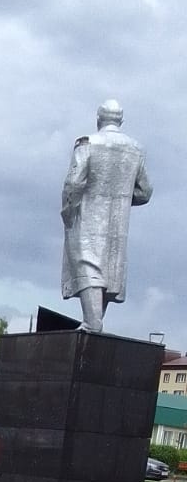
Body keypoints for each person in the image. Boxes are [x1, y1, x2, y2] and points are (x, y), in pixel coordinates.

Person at [61, 99, 152, 332]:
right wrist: (120, 198)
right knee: (109, 272)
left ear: (99, 118)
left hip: (87, 218)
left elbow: (73, 183)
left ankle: (92, 323)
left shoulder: (88, 143)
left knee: (88, 266)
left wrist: (68, 212)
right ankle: (94, 321)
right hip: (117, 224)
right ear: (120, 120)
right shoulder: (135, 149)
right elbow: (145, 191)